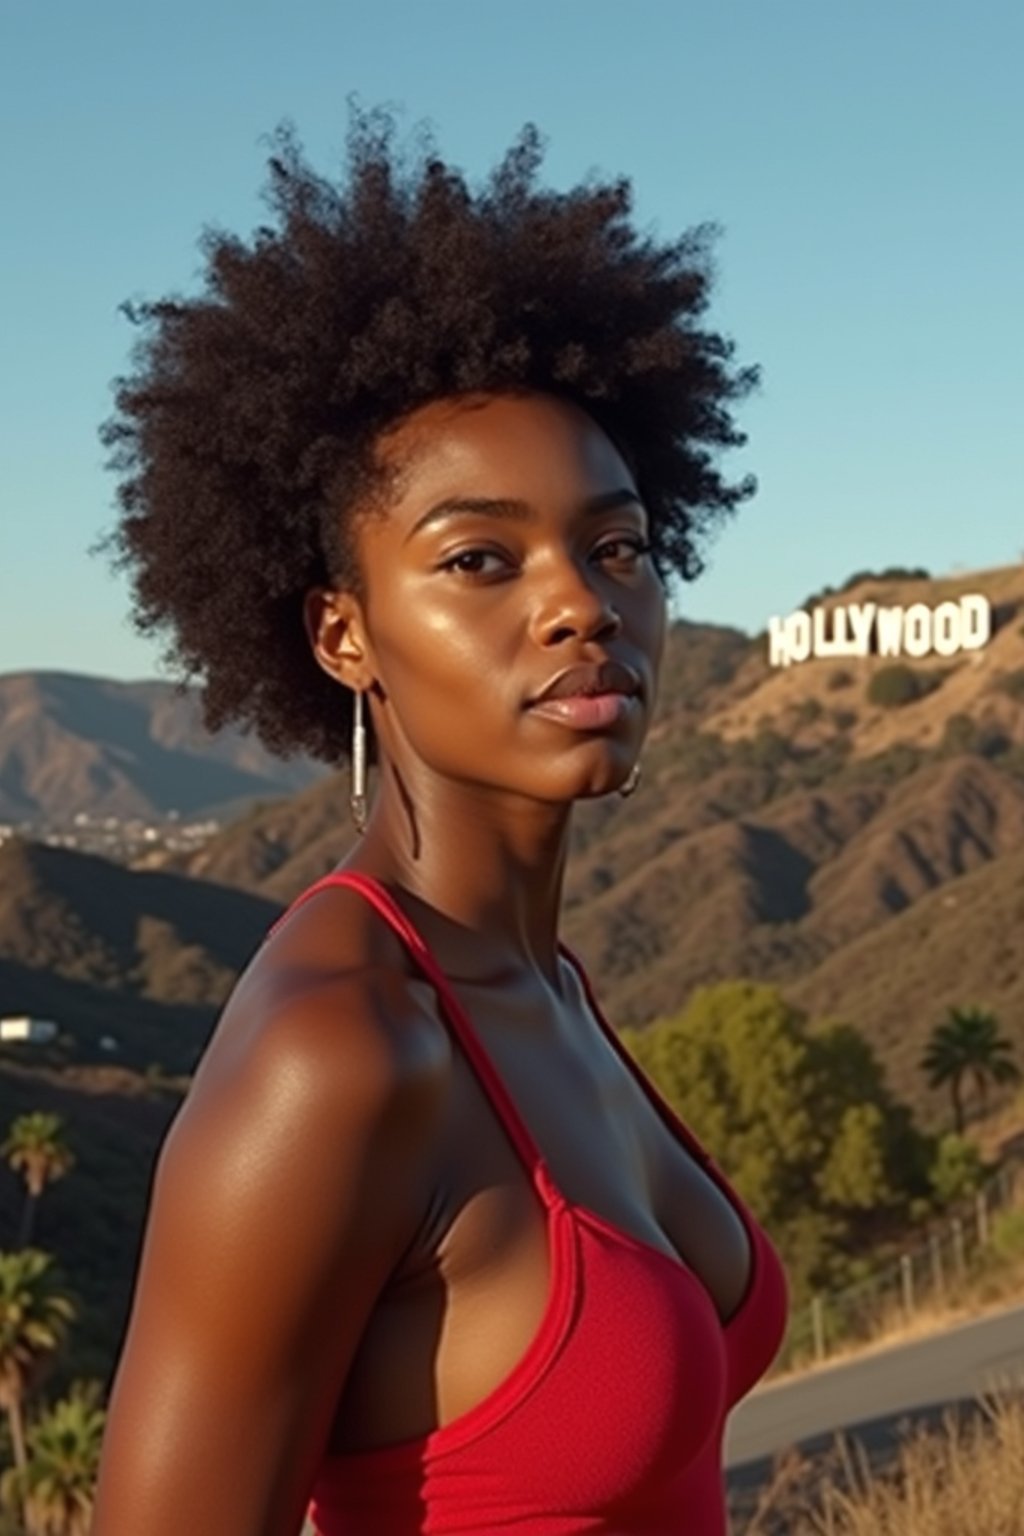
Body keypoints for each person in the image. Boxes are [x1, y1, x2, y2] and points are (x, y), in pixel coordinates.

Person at [92, 114, 788, 1536]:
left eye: (620, 548)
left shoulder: (555, 989)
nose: (585, 604)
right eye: (481, 558)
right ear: (345, 635)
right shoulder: (337, 1058)